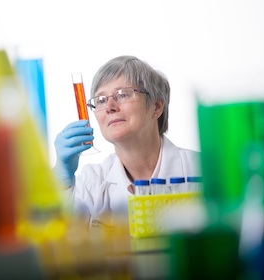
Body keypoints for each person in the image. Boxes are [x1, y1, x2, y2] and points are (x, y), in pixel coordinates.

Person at [53, 55, 201, 234]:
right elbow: (55, 241)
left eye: (122, 94)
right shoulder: (91, 183)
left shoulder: (201, 170)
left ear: (156, 107)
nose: (110, 107)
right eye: (100, 100)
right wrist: (61, 182)